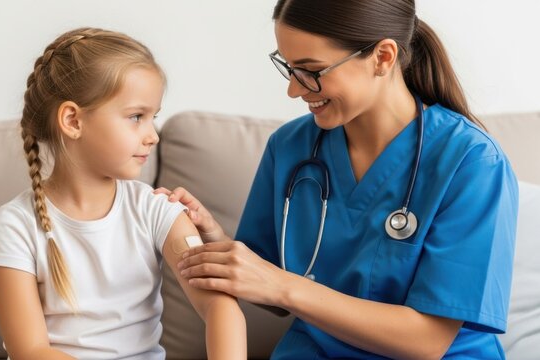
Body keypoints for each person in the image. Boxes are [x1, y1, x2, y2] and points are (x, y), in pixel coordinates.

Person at [156, 1, 518, 358]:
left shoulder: (471, 162)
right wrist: (219, 247)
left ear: (383, 57)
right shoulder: (290, 146)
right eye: (289, 68)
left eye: (311, 70)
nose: (294, 90)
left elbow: (427, 342)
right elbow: (269, 287)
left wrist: (284, 286)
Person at [0, 27, 246, 360]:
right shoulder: (15, 225)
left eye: (153, 118)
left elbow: (220, 305)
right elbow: (29, 350)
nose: (153, 136)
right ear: (73, 120)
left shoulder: (156, 210)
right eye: (136, 117)